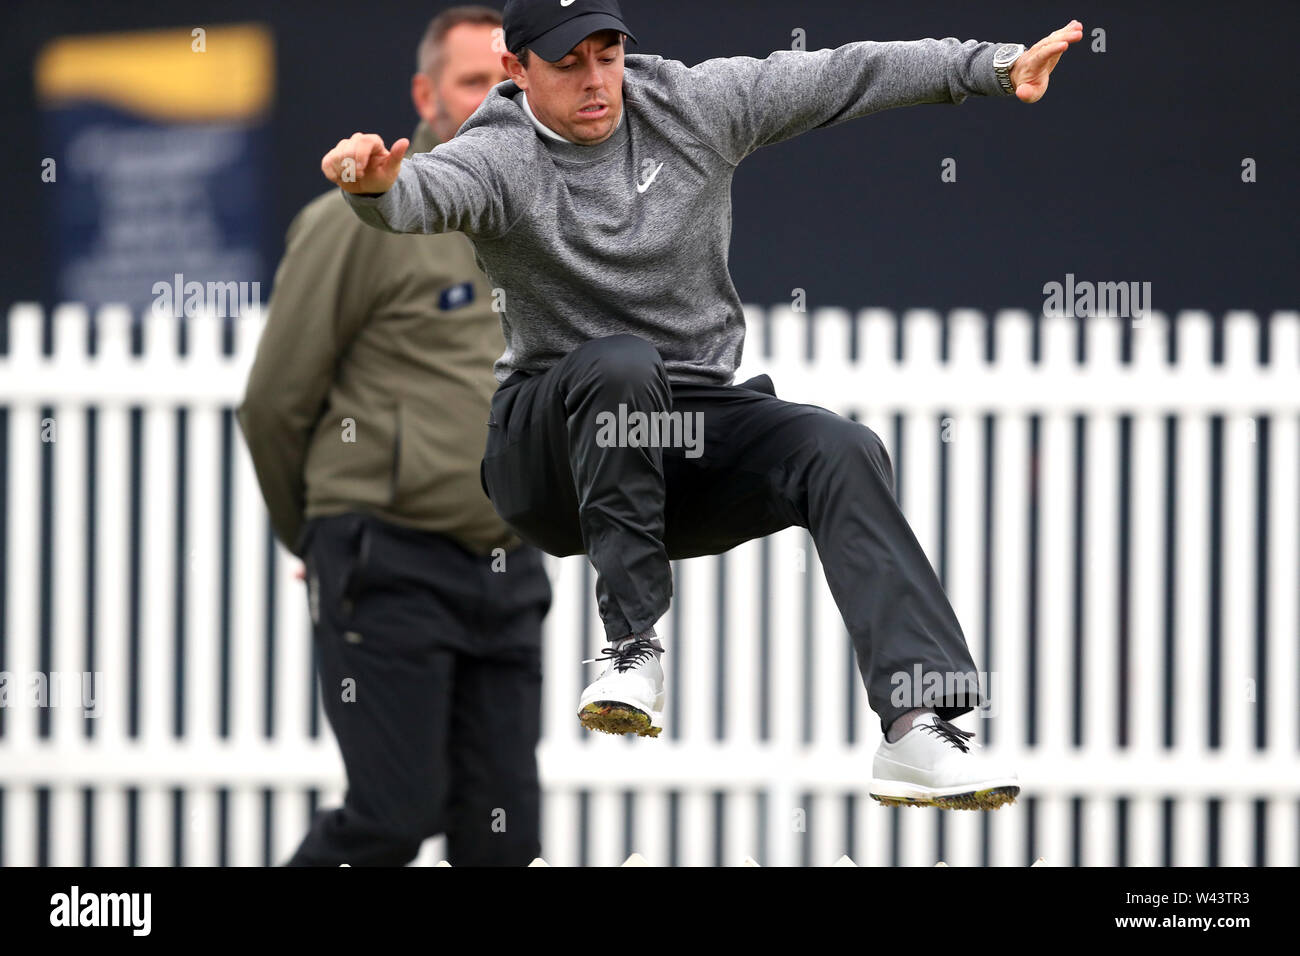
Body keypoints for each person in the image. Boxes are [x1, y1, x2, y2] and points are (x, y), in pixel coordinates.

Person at [319, 0, 1083, 811]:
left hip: (681, 442)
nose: (595, 82)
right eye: (568, 64)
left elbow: (843, 74)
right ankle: (631, 648)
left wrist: (993, 66)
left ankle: (916, 724)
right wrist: (378, 189)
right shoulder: (498, 152)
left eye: (607, 56)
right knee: (621, 364)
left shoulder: (694, 105)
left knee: (841, 447)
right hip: (549, 461)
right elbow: (424, 192)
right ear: (517, 69)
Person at [238, 5, 551, 866]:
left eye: (509, 80)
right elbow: (273, 404)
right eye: (471, 79)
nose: (494, 97)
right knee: (391, 818)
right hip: (388, 561)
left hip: (510, 570)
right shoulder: (355, 218)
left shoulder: (547, 219)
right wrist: (315, 537)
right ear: (425, 95)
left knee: (504, 841)